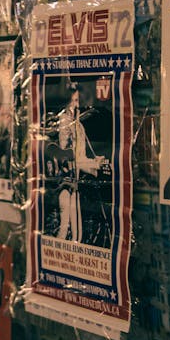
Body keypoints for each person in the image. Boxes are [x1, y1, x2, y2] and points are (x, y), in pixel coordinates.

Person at [54, 86, 105, 241]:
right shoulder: (65, 121)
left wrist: (94, 162)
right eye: (74, 100)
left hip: (75, 183)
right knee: (65, 228)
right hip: (67, 182)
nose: (77, 104)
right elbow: (67, 155)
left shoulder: (78, 124)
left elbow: (80, 157)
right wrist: (93, 165)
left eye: (78, 100)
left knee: (77, 233)